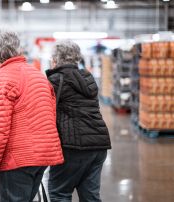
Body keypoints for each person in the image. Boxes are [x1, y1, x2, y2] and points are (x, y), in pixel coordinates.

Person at [0, 29, 64, 201]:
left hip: (18, 159)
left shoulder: (1, 78)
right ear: (19, 50)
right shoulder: (38, 76)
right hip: (42, 156)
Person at [46, 40, 111, 202]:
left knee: (59, 192)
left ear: (56, 59)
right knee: (90, 196)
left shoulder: (55, 80)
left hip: (73, 146)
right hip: (98, 144)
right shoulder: (87, 78)